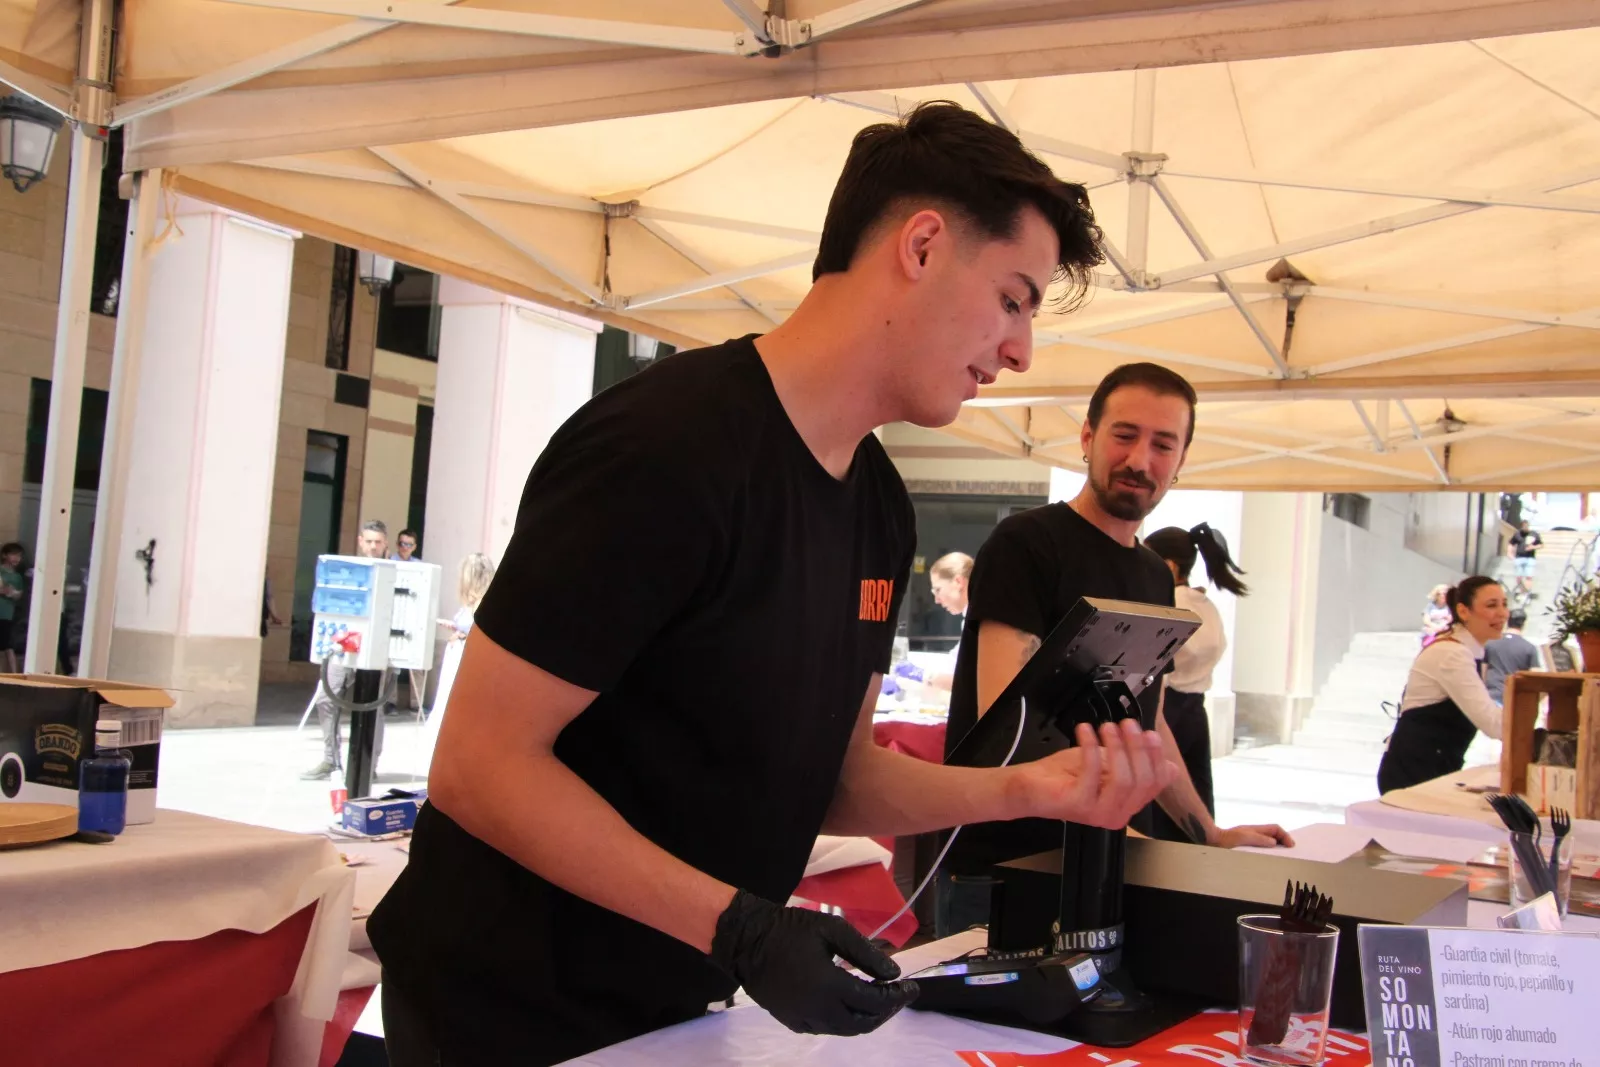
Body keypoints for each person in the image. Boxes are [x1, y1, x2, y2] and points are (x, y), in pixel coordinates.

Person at [368, 102, 1177, 1066]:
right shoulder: (665, 449)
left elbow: (835, 776)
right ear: (922, 245)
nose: (1020, 351)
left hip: (686, 1007)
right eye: (1013, 298)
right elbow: (480, 764)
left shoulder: (879, 505)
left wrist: (1028, 787)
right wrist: (740, 928)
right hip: (511, 1010)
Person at [938, 364, 1292, 937]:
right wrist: (1120, 826)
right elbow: (1004, 720)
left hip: (1103, 866)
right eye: (1124, 435)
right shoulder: (1026, 544)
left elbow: (1145, 724)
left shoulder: (1155, 577)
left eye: (1162, 444)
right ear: (1087, 438)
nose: (1139, 460)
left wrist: (1207, 831)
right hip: (1005, 869)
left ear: (1180, 462)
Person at [1142, 523, 1249, 827]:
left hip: (1167, 711)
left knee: (1163, 807)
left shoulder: (1168, 605)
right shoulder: (1207, 605)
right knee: (1196, 801)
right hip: (1195, 714)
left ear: (1169, 565)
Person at [1377, 576, 1509, 794]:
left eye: (1504, 604)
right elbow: (1494, 725)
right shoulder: (1452, 654)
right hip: (1415, 771)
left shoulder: (1467, 651)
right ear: (1464, 611)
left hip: (1432, 766)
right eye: (1491, 605)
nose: (1502, 613)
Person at [301, 520, 389, 780]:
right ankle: (331, 760)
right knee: (326, 698)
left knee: (374, 705)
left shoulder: (394, 574)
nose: (373, 547)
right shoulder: (346, 572)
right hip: (344, 647)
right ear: (360, 541)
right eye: (369, 541)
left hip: (377, 650)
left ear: (385, 544)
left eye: (378, 542)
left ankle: (368, 764)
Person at [417, 553, 496, 775]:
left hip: (464, 662)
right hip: (455, 659)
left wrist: (462, 635)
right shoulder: (472, 603)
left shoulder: (483, 603)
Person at [924, 551, 973, 691]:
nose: (936, 600)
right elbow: (955, 660)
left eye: (938, 590)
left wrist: (926, 677)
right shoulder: (970, 619)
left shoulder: (982, 620)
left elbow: (969, 681)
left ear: (958, 582)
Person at [1483, 608, 1540, 706]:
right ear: (1523, 624)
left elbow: (1482, 671)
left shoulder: (1490, 643)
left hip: (1492, 697)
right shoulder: (1529, 648)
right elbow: (1536, 678)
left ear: (1507, 621)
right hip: (1514, 700)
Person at [0, 542, 24, 673]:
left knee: (8, 645)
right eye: (13, 555)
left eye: (19, 556)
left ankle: (14, 674)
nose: (16, 559)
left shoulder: (17, 576)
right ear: (4, 555)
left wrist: (11, 592)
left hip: (8, 614)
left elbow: (18, 594)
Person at [1508, 521, 1542, 600]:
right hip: (1519, 557)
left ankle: (1527, 593)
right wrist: (1509, 553)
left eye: (1526, 526)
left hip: (1530, 558)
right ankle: (1522, 591)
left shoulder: (1534, 534)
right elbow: (1511, 543)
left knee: (1529, 576)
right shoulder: (1518, 534)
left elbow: (1540, 544)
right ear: (1521, 526)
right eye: (1523, 526)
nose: (1525, 528)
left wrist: (1533, 547)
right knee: (1518, 576)